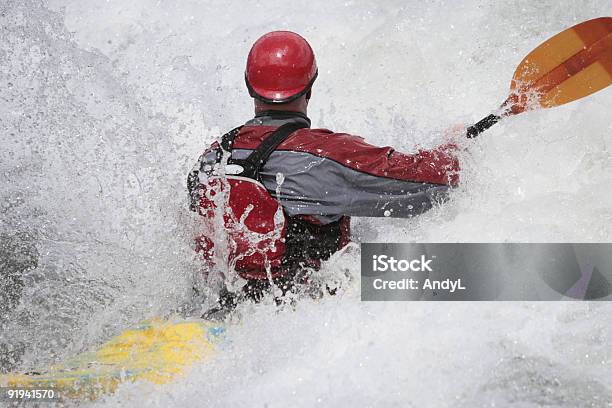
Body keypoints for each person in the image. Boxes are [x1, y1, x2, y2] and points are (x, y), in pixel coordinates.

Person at [188, 31, 460, 313]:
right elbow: (431, 186)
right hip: (303, 310)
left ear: (248, 86)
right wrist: (456, 147)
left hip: (224, 305)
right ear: (310, 89)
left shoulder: (213, 156)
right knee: (454, 270)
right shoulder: (324, 156)